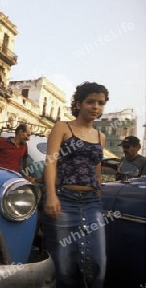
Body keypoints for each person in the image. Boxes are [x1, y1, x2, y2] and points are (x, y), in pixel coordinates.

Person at [42, 81, 109, 288]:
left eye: (100, 103)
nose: (96, 107)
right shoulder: (63, 127)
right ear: (79, 104)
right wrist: (51, 196)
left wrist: (98, 190)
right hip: (64, 199)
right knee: (64, 264)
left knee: (97, 262)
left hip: (91, 202)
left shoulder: (101, 136)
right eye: (90, 102)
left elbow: (96, 167)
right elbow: (51, 162)